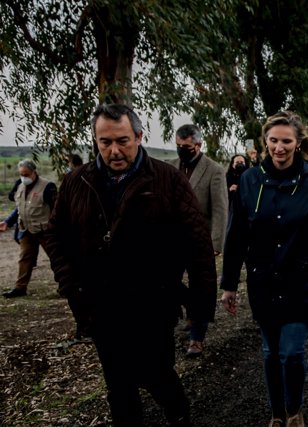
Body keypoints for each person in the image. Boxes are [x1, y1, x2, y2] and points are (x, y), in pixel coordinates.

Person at [45, 103, 217, 426]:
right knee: (119, 387)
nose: (114, 150)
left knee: (158, 375)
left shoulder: (167, 180)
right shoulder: (75, 183)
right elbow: (55, 235)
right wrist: (71, 285)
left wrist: (201, 303)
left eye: (122, 140)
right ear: (95, 141)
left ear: (139, 136)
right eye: (105, 142)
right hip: (100, 307)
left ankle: (179, 417)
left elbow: (198, 245)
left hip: (153, 304)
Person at [220, 111, 308, 427]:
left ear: (298, 144)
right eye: (273, 140)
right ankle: (276, 415)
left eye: (286, 141)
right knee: (270, 353)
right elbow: (237, 234)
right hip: (263, 280)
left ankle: (294, 411)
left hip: (301, 281)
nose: (279, 147)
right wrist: (229, 284)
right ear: (265, 142)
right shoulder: (249, 180)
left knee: (292, 353)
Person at [167, 123, 228, 357]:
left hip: (200, 240)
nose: (182, 150)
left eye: (187, 146)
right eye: (179, 146)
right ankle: (191, 308)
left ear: (198, 145)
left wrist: (215, 243)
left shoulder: (213, 170)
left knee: (202, 286)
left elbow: (221, 208)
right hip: (172, 240)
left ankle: (196, 339)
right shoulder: (169, 168)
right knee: (167, 280)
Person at [0, 159, 57, 298]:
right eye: (21, 174)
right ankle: (20, 288)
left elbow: (57, 210)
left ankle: (66, 285)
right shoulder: (20, 185)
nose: (23, 177)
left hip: (44, 230)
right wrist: (7, 221)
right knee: (25, 258)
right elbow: (20, 208)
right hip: (25, 229)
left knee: (56, 258)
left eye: (26, 174)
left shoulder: (47, 186)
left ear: (34, 172)